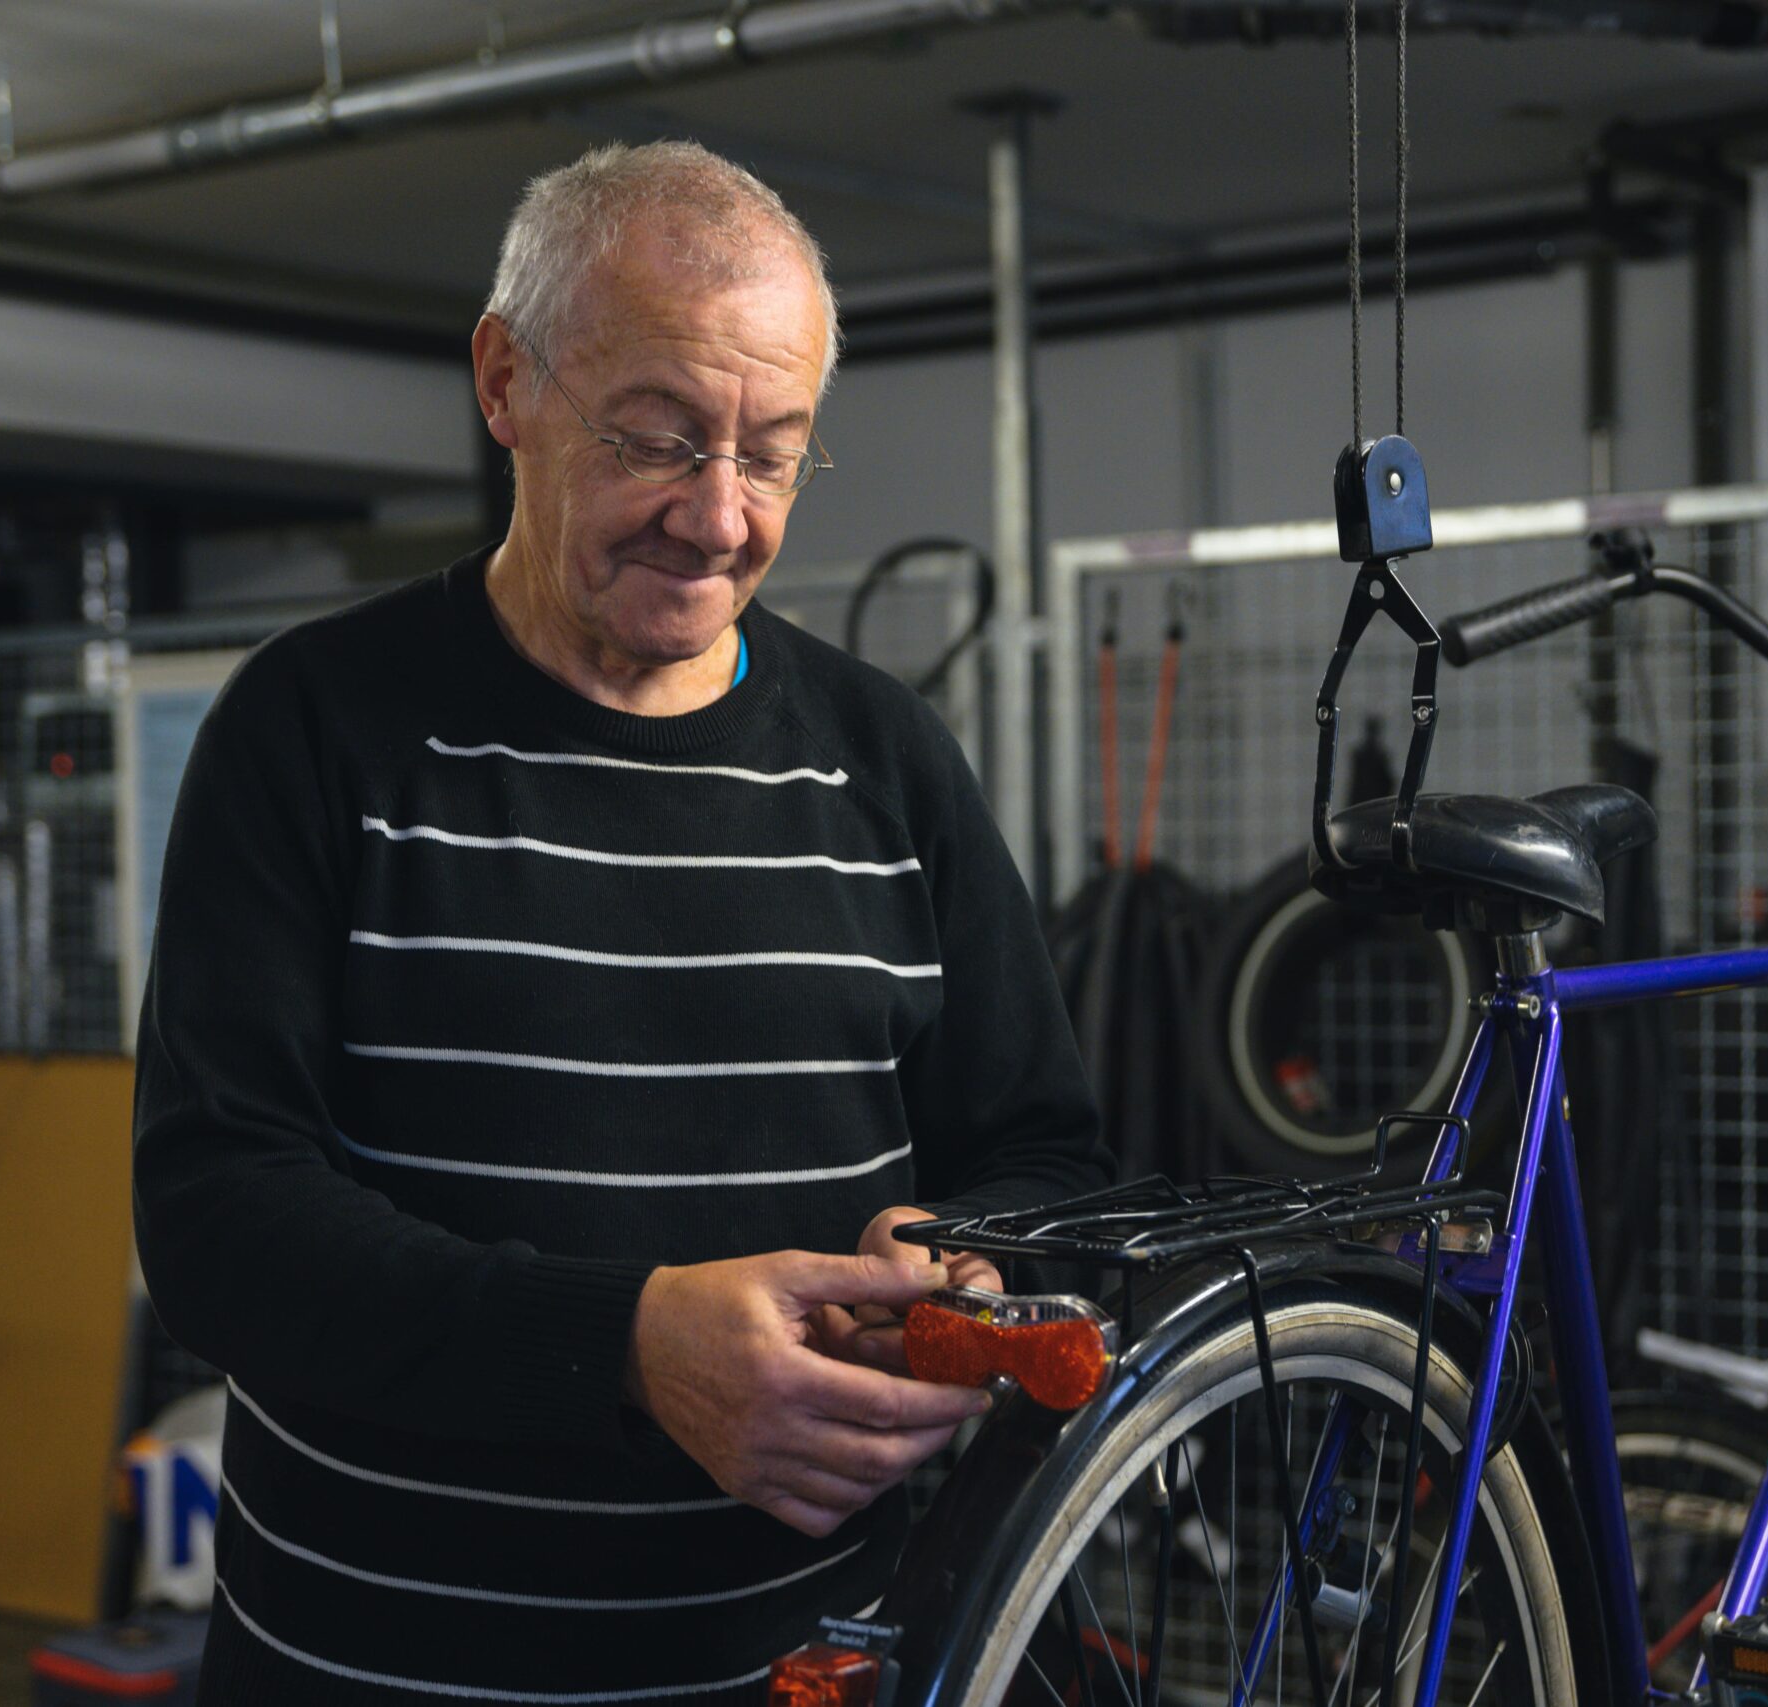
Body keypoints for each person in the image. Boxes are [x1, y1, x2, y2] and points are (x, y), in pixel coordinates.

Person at [132, 140, 1110, 1705]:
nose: (718, 518)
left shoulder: (886, 756)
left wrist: (964, 1267)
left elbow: (1045, 1153)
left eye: (774, 454)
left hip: (803, 1674)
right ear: (505, 382)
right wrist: (627, 1346)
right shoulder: (312, 730)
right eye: (658, 437)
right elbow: (216, 1224)